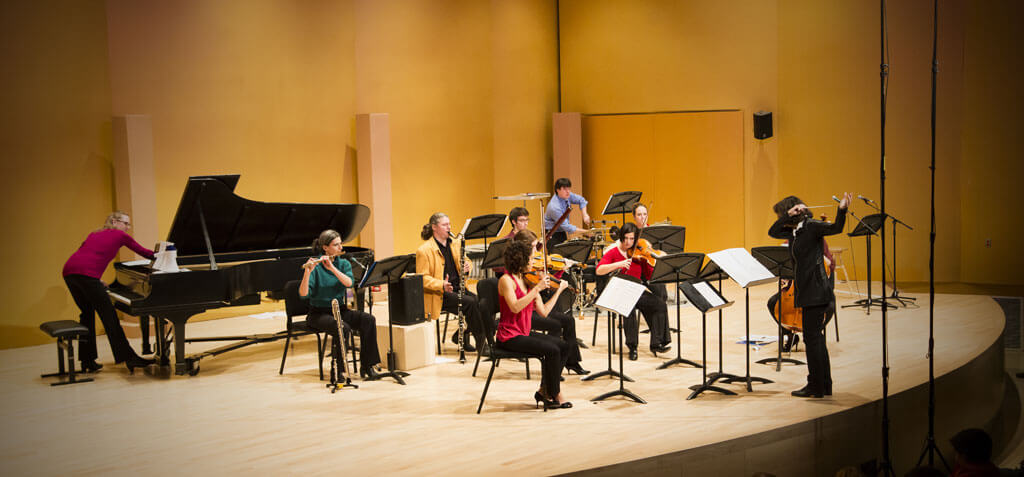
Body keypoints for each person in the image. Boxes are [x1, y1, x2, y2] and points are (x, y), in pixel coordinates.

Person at [768, 193, 850, 398]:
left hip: (816, 291)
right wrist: (787, 217)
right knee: (816, 340)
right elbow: (772, 232)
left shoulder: (811, 226)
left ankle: (815, 386)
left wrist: (842, 210)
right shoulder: (794, 232)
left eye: (781, 213)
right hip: (807, 290)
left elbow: (836, 228)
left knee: (812, 340)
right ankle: (824, 385)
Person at [62, 211, 155, 373]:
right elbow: (145, 253)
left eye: (128, 224)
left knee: (87, 313)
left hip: (70, 273)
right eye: (125, 223)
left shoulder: (94, 234)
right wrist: (168, 254)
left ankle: (87, 360)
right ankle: (129, 358)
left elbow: (84, 254)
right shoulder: (120, 235)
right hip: (86, 276)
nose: (127, 227)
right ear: (114, 222)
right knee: (109, 316)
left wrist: (96, 280)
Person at [496, 239, 573, 409]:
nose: (533, 262)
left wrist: (558, 291)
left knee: (564, 346)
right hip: (508, 336)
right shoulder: (506, 280)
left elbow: (544, 312)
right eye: (531, 259)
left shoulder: (529, 280)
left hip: (522, 332)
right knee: (552, 350)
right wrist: (537, 288)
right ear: (521, 260)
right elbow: (515, 307)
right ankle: (554, 393)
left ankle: (545, 390)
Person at [299, 229, 383, 379]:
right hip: (318, 314)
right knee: (342, 327)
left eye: (340, 244)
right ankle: (340, 371)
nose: (340, 248)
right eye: (336, 245)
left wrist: (331, 267)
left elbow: (349, 283)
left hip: (340, 310)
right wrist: (307, 272)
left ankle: (367, 366)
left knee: (368, 320)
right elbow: (303, 294)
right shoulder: (315, 267)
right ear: (325, 247)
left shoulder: (343, 263)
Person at [513, 229, 588, 374]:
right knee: (556, 323)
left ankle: (571, 362)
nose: (536, 252)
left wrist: (560, 270)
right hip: (526, 313)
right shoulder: (519, 269)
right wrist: (549, 285)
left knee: (568, 320)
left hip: (538, 306)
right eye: (533, 247)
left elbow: (549, 284)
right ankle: (554, 367)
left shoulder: (533, 265)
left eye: (536, 247)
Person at [415, 212, 491, 354]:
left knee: (482, 304)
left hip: (458, 288)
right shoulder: (424, 250)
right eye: (444, 225)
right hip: (439, 294)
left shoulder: (455, 244)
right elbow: (422, 278)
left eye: (449, 224)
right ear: (434, 227)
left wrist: (467, 266)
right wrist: (441, 284)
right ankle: (482, 344)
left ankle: (463, 334)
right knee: (471, 303)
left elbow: (466, 260)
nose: (449, 227)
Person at [595, 222, 672, 360]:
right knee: (628, 308)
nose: (628, 242)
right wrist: (619, 264)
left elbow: (648, 276)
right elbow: (599, 270)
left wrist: (651, 262)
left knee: (659, 304)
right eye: (626, 238)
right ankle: (632, 347)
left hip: (636, 290)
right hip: (619, 291)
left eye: (632, 239)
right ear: (621, 237)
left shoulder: (639, 253)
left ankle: (657, 343)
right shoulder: (613, 252)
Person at [544, 177, 591, 249]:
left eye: (569, 188)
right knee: (557, 255)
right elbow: (566, 226)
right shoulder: (554, 207)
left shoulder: (567, 195)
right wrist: (586, 232)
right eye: (565, 189)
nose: (568, 191)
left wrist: (585, 215)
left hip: (561, 231)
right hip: (552, 234)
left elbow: (581, 200)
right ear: (558, 190)